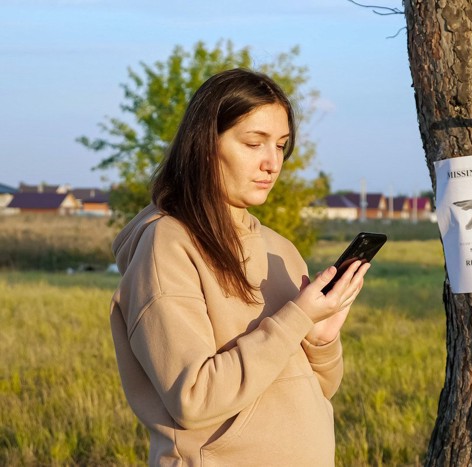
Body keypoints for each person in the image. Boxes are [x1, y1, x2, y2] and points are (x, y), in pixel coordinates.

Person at [109, 68, 371, 466]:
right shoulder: (167, 245)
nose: (272, 162)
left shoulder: (279, 249)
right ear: (204, 145)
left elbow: (315, 391)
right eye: (254, 143)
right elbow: (192, 399)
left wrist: (320, 339)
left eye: (281, 145)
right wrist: (295, 317)